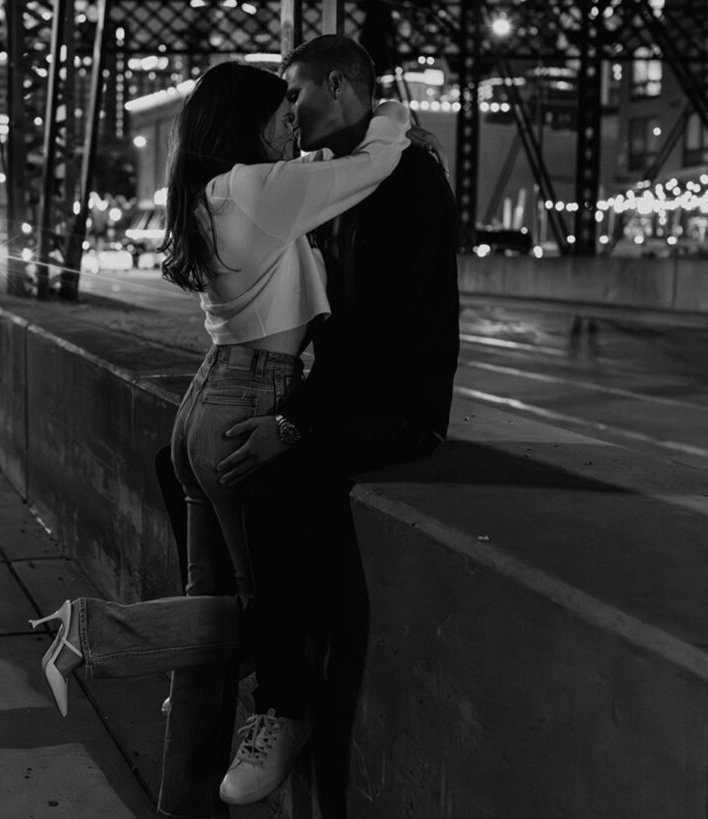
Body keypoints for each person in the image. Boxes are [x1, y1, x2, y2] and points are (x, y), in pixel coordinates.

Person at [28, 59, 413, 818]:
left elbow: (311, 175)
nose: (292, 130)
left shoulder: (209, 194)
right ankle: (96, 633)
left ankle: (184, 805)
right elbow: (373, 165)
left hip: (203, 406)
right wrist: (397, 115)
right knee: (269, 611)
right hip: (251, 401)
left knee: (208, 648)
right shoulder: (257, 189)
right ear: (247, 125)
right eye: (280, 117)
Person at [210, 34, 461, 818]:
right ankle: (248, 668)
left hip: (399, 408)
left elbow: (379, 333)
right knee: (202, 466)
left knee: (275, 479)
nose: (290, 109)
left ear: (343, 85)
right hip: (350, 395)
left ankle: (284, 705)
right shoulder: (344, 179)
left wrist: (292, 422)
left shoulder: (412, 181)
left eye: (298, 93)